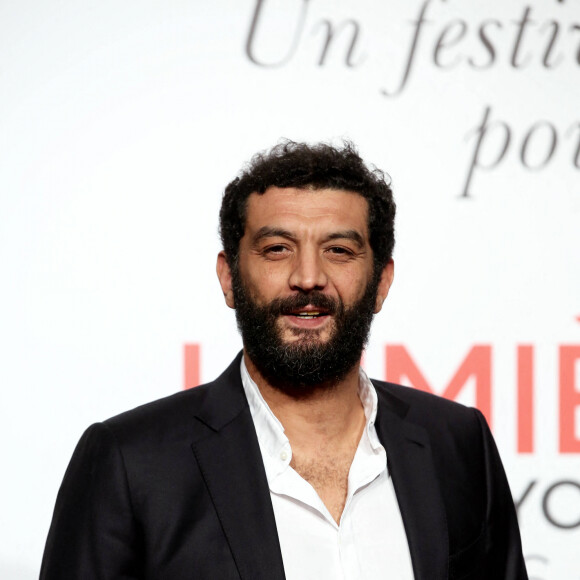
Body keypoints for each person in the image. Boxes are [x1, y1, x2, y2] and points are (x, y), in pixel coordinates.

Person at [41, 141, 528, 579]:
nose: (308, 277)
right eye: (277, 249)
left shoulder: (458, 445)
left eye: (339, 250)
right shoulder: (132, 464)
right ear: (229, 277)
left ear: (381, 281)